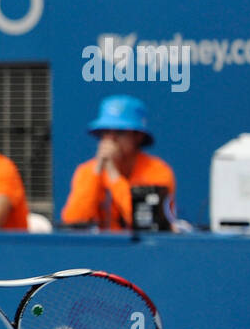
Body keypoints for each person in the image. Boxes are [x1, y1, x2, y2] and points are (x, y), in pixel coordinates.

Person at [61, 95, 176, 230]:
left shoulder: (157, 171)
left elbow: (145, 222)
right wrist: (97, 171)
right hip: (102, 249)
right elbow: (74, 220)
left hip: (146, 249)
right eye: (105, 132)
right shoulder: (87, 171)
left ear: (138, 136)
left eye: (120, 132)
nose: (110, 139)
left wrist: (113, 175)